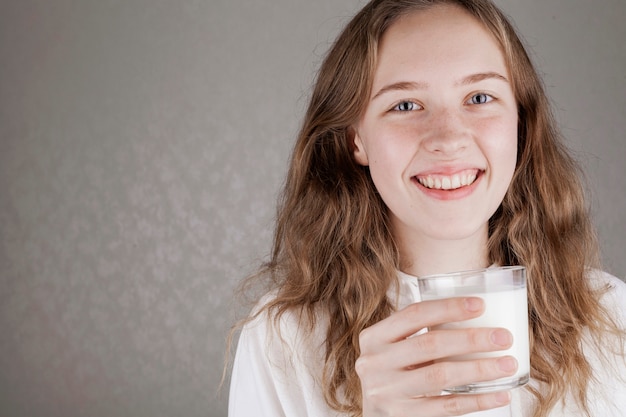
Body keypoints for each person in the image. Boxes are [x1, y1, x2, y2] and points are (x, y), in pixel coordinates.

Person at [227, 0, 626, 416]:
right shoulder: (283, 341)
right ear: (355, 140)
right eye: (405, 105)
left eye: (479, 96)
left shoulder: (613, 316)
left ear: (520, 124)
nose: (449, 138)